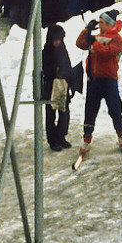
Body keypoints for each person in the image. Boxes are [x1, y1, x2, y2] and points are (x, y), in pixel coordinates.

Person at [74, 8, 122, 167]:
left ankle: (121, 137)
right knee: (90, 110)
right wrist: (87, 30)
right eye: (98, 23)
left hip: (109, 80)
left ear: (109, 24)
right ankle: (87, 139)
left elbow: (106, 53)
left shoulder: (117, 39)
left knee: (114, 109)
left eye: (101, 23)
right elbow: (80, 44)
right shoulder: (98, 37)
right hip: (93, 80)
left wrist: (93, 42)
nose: (99, 25)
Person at [40, 23, 77, 152]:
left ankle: (61, 136)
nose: (57, 42)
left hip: (62, 86)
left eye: (59, 40)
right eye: (55, 39)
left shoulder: (62, 50)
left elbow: (68, 65)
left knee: (64, 112)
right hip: (50, 87)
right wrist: (55, 72)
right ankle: (53, 140)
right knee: (51, 114)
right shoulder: (45, 52)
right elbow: (44, 70)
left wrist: (70, 80)